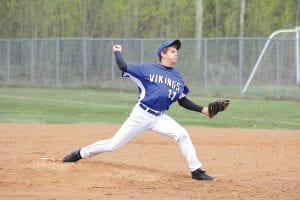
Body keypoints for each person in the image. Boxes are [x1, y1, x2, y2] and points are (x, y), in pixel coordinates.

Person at [62, 39, 215, 181]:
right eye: (173, 51)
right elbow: (123, 67)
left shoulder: (177, 77)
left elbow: (182, 101)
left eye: (176, 51)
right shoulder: (147, 69)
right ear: (163, 53)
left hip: (159, 117)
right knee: (112, 145)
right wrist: (117, 51)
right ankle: (80, 153)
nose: (176, 54)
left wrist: (204, 110)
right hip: (141, 115)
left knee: (182, 134)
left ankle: (196, 171)